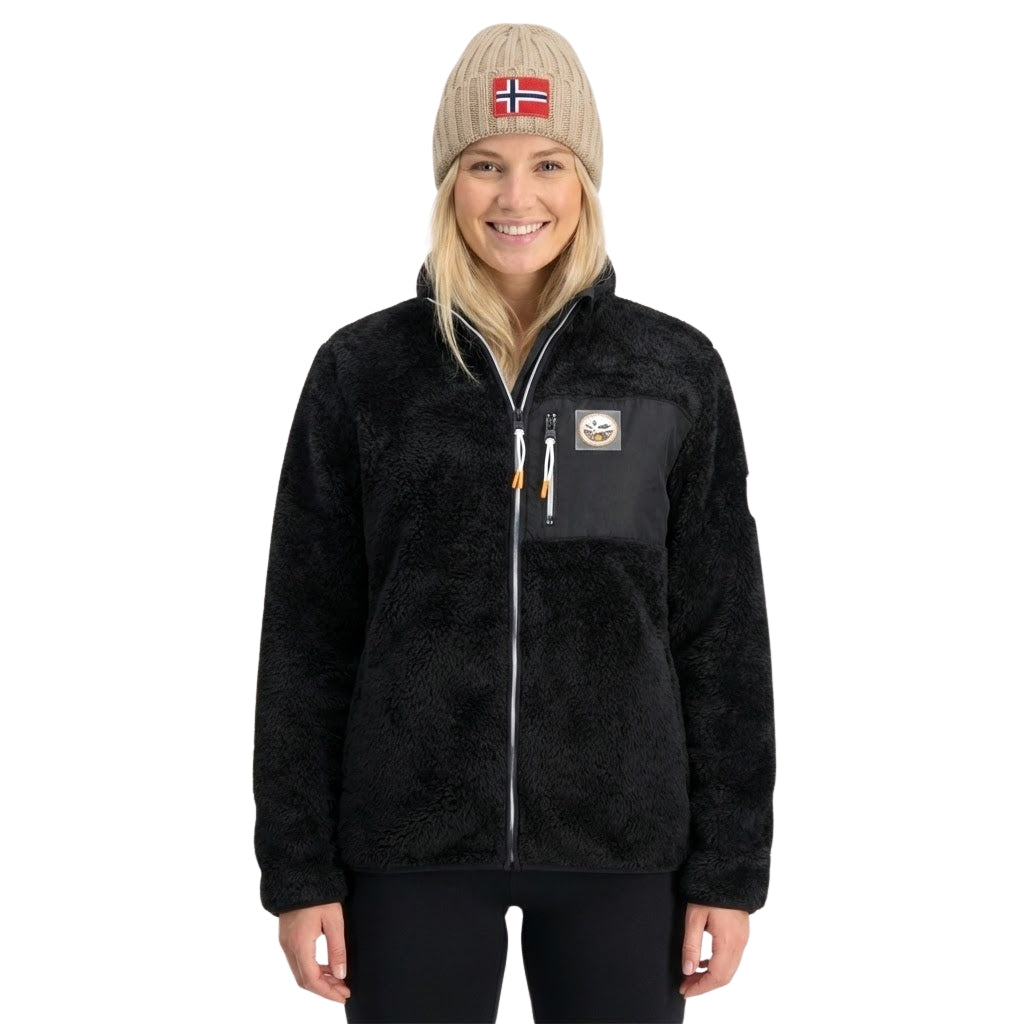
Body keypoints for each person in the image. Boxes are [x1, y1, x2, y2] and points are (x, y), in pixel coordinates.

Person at [253, 22, 775, 1023]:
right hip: (407, 842)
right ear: (449, 182)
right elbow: (307, 634)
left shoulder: (671, 370)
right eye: (485, 165)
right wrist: (299, 867)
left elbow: (721, 634)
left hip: (624, 844)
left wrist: (730, 865)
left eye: (548, 164)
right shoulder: (364, 371)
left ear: (585, 181)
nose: (516, 196)